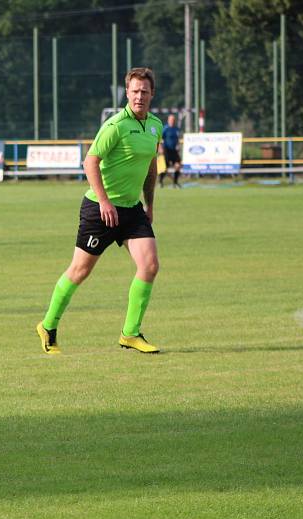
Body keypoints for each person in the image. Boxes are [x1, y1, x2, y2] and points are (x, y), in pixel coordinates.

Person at [36, 67, 163, 355]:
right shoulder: (115, 125)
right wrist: (105, 202)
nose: (139, 96)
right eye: (134, 91)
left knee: (150, 265)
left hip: (132, 210)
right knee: (80, 271)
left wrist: (150, 203)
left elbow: (151, 166)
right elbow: (90, 162)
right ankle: (48, 325)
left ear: (152, 94)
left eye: (144, 91)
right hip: (99, 209)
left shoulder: (155, 125)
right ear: (126, 93)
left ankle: (130, 334)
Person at [159, 114, 181, 188]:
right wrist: (160, 148)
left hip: (174, 150)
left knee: (178, 165)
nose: (172, 121)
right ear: (168, 120)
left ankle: (175, 183)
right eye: (171, 120)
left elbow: (178, 139)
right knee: (165, 167)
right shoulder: (165, 128)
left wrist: (178, 146)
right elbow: (159, 139)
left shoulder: (176, 129)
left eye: (173, 120)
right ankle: (160, 182)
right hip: (167, 150)